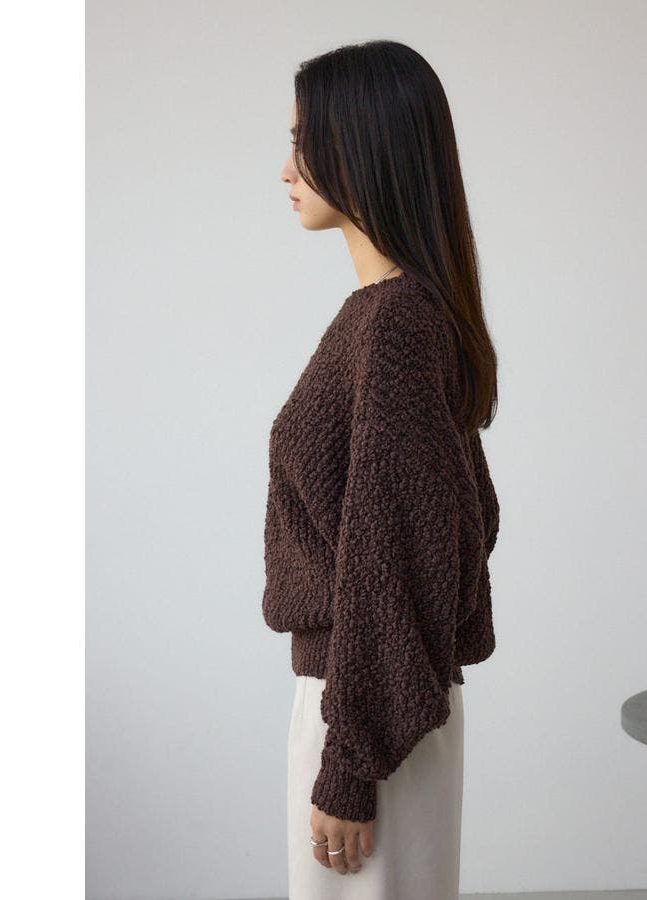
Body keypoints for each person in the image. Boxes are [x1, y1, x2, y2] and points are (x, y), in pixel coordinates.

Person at [263, 39, 501, 899]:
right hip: (374, 704)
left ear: (360, 147)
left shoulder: (395, 324)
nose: (285, 170)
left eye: (303, 143)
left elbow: (395, 554)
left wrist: (350, 765)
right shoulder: (395, 315)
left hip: (369, 716)